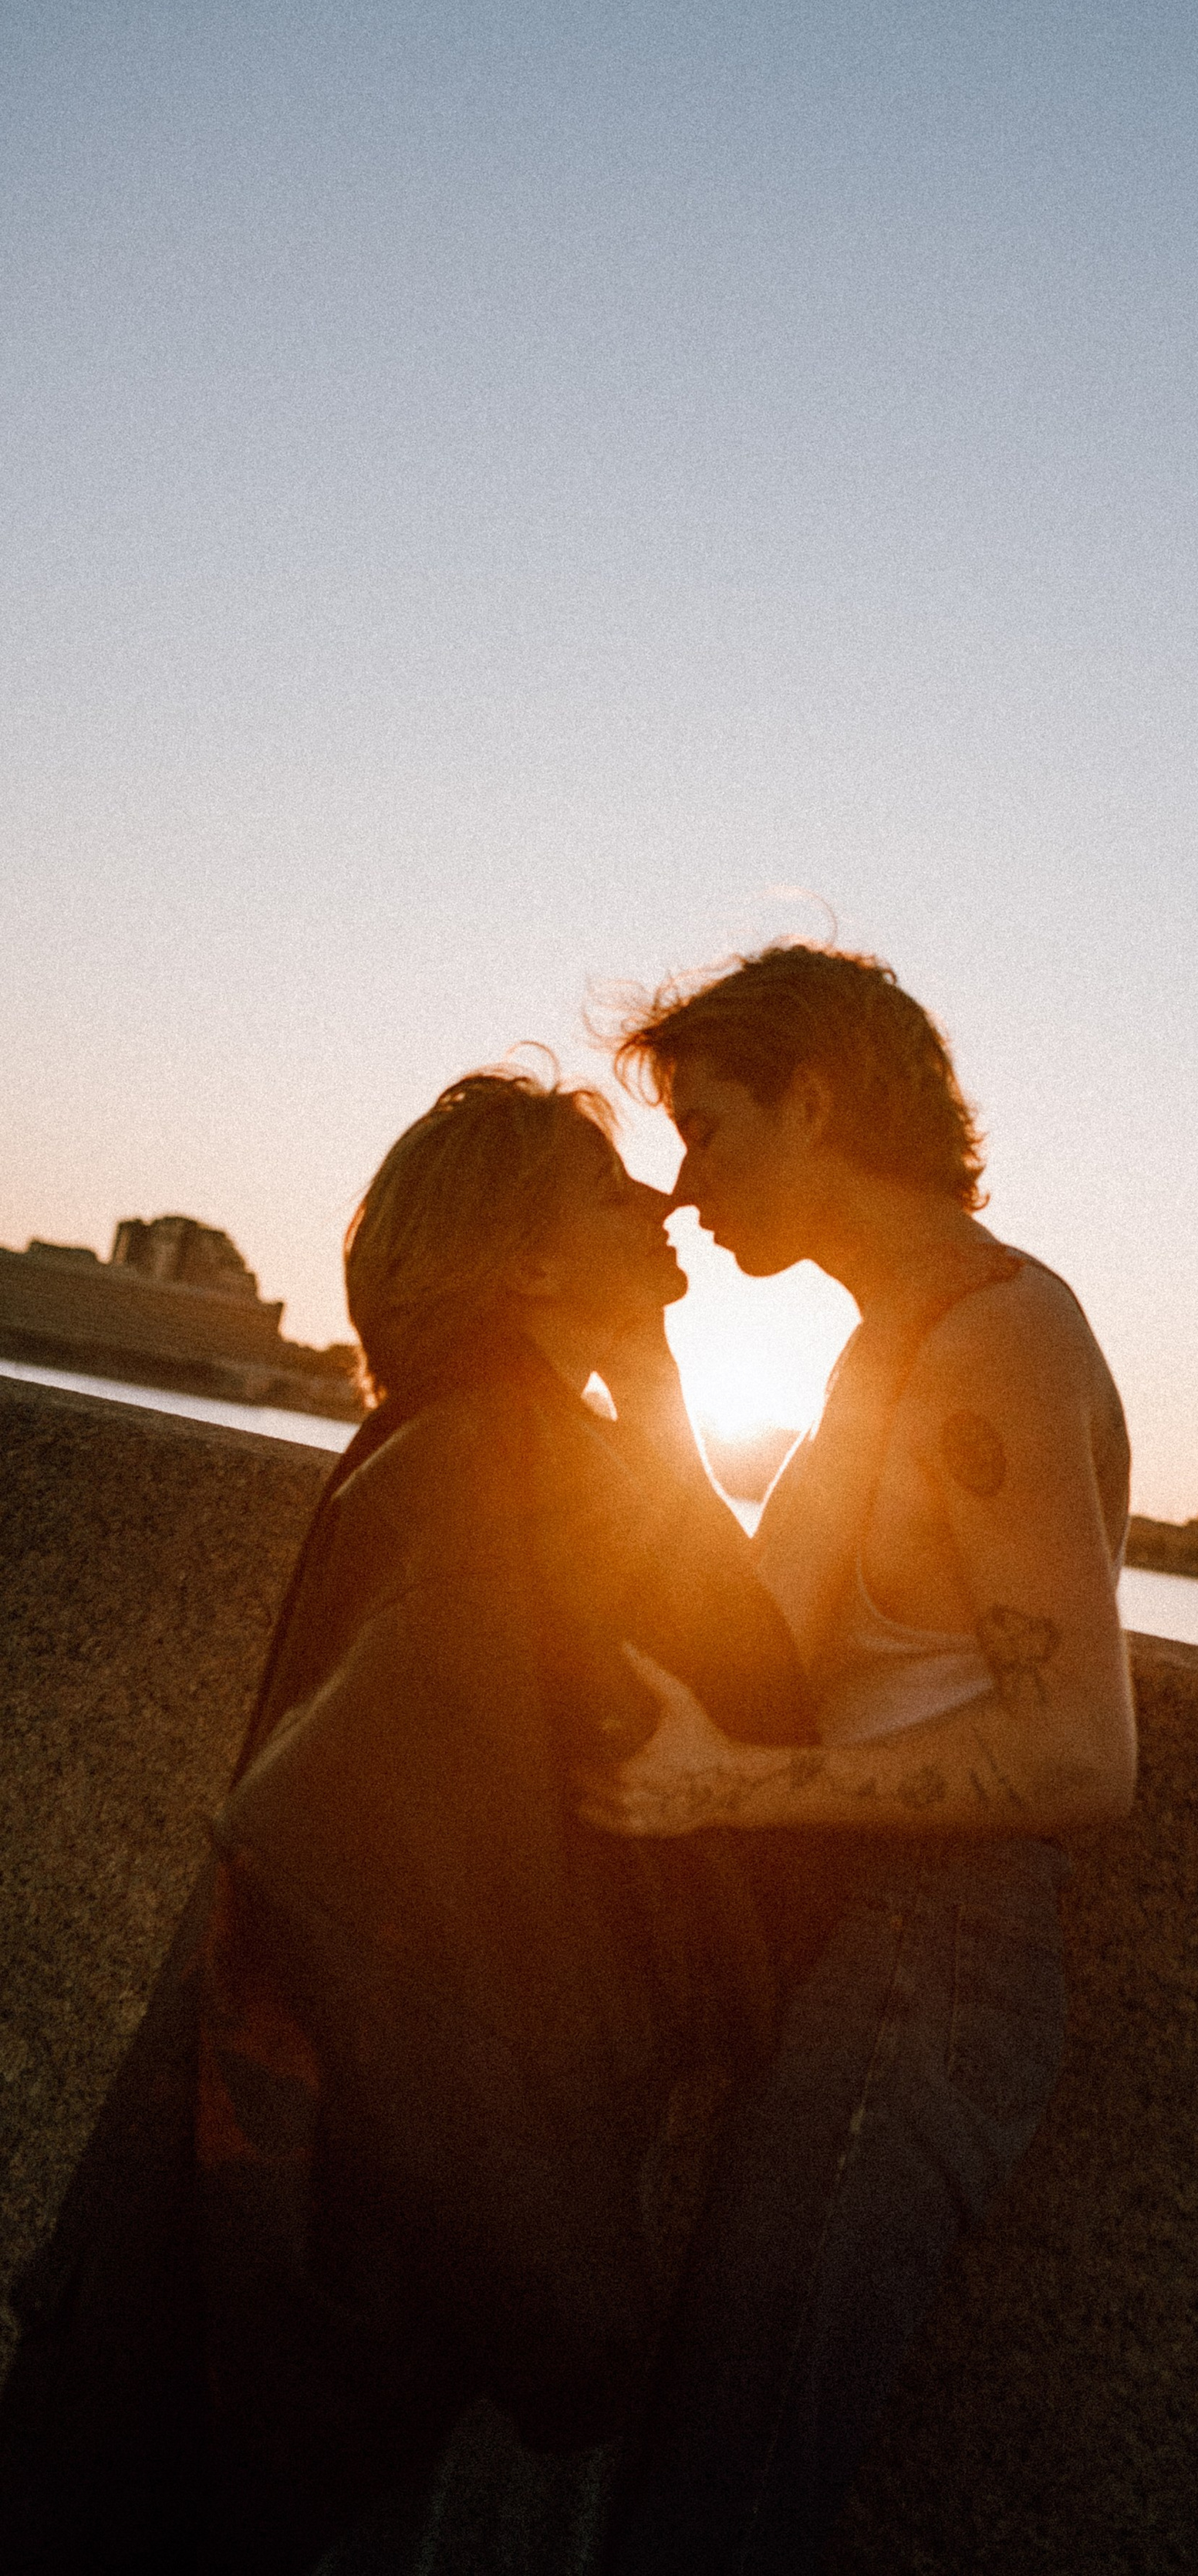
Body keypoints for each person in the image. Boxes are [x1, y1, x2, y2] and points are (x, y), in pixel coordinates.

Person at [0, 1068, 811, 2576]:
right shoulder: (498, 1473)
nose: (663, 1202)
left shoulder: (480, 1446)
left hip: (262, 2261)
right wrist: (570, 2302)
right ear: (525, 1263)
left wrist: (645, 1379)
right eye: (606, 1187)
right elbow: (388, 1914)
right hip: (330, 2284)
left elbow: (736, 1672)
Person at [586, 943, 1137, 2576]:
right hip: (867, 1953)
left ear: (816, 1103)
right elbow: (751, 1636)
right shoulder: (895, 1340)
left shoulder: (994, 1343)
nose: (681, 1192)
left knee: (730, 2490)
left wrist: (721, 1793)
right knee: (713, 2450)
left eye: (710, 1128)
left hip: (930, 1958)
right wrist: (648, 1375)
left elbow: (1076, 1752)